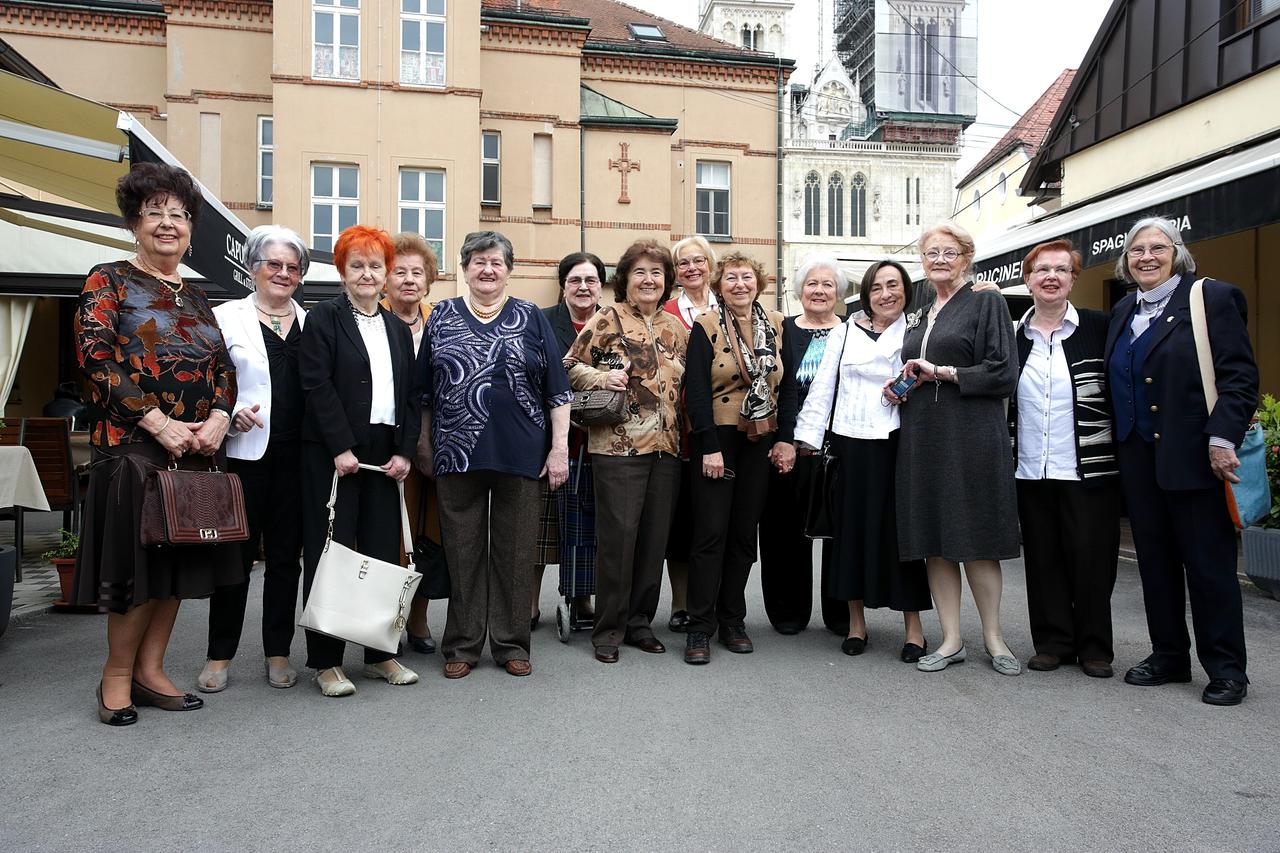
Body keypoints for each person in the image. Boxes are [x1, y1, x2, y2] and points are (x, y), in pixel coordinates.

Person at [74, 162, 238, 725]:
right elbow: (96, 359)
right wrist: (155, 420)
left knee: (178, 567)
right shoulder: (109, 279)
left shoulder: (196, 296)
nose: (168, 224)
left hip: (195, 450)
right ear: (135, 223)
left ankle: (151, 670)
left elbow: (223, 369)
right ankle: (115, 676)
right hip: (132, 449)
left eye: (179, 215)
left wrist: (218, 417)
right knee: (138, 570)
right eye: (155, 213)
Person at [1105, 216, 1258, 706]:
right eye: (1136, 251)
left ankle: (1227, 668)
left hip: (1194, 456)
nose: (1146, 257)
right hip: (1138, 459)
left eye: (1157, 248)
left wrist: (1222, 438)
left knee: (1208, 567)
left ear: (1177, 252)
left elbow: (1238, 377)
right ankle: (1169, 655)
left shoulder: (1210, 297)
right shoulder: (1124, 308)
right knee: (1155, 564)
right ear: (1126, 262)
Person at [419, 231, 572, 679]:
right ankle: (463, 645)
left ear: (509, 269)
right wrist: (425, 444)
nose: (487, 269)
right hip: (456, 453)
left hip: (522, 453)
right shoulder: (442, 315)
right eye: (478, 261)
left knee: (516, 551)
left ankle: (510, 643)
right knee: (463, 552)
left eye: (497, 262)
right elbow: (425, 392)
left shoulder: (529, 316)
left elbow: (558, 392)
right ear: (464, 269)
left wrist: (559, 449)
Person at [885, 221, 1022, 676]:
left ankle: (995, 639)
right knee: (935, 542)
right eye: (930, 254)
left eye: (948, 252)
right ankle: (950, 640)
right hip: (923, 436)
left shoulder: (987, 301)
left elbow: (1004, 373)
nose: (938, 260)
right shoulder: (923, 312)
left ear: (966, 256)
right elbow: (920, 368)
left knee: (977, 539)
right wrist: (903, 385)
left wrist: (943, 372)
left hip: (971, 436)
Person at [298, 224, 421, 697]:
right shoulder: (324, 318)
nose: (367, 274)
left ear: (386, 272)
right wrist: (339, 447)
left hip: (384, 453)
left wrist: (404, 452)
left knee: (381, 553)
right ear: (342, 271)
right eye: (358, 266)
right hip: (335, 453)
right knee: (332, 553)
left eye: (375, 265)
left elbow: (411, 396)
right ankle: (326, 662)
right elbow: (316, 385)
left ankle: (378, 654)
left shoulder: (395, 325)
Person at [797, 260, 932, 661]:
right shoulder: (843, 331)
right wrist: (807, 436)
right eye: (877, 287)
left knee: (899, 536)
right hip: (849, 443)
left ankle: (914, 630)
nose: (886, 294)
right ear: (866, 295)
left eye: (894, 285)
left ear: (906, 290)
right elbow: (824, 384)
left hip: (897, 443)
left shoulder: (917, 329)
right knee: (850, 533)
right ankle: (856, 625)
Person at [564, 240, 688, 663]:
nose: (649, 279)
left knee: (654, 542)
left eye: (656, 272)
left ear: (666, 281)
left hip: (666, 449)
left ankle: (639, 624)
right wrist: (603, 378)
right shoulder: (607, 318)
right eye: (640, 272)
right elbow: (568, 366)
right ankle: (609, 630)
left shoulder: (675, 329)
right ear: (626, 280)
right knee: (618, 542)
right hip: (617, 448)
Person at [200, 225, 310, 693]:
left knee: (287, 559)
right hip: (244, 456)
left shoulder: (312, 322)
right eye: (274, 264)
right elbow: (202, 379)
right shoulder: (225, 317)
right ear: (253, 268)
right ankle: (219, 655)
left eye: (292, 267)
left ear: (301, 275)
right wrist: (224, 411)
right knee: (235, 558)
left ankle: (278, 652)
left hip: (299, 458)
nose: (283, 274)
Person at [1009, 239, 1120, 678]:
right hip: (1030, 467)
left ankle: (1095, 647)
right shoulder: (1013, 337)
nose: (1051, 277)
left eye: (1061, 269)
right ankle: (1053, 642)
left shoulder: (1100, 326)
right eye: (1041, 270)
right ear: (1028, 279)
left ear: (1074, 278)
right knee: (1043, 557)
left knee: (1093, 557)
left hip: (1089, 468)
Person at [683, 251, 791, 665]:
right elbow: (695, 391)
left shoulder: (779, 325)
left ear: (758, 283)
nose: (739, 284)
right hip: (719, 438)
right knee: (711, 533)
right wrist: (708, 445)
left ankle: (732, 619)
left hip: (760, 438)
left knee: (745, 535)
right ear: (719, 285)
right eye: (731, 278)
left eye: (746, 277)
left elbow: (789, 387)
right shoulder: (705, 325)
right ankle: (699, 626)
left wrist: (786, 439)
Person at [758, 254, 844, 635]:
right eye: (812, 283)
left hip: (841, 445)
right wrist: (784, 439)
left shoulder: (853, 330)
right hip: (788, 444)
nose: (820, 290)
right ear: (800, 290)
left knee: (840, 532)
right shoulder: (782, 330)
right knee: (783, 530)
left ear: (839, 292)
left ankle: (842, 613)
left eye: (828, 284)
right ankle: (787, 612)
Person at [532, 252, 604, 630]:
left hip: (597, 439)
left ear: (600, 286)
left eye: (591, 280)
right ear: (563, 284)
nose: (583, 287)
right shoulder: (541, 320)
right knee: (540, 528)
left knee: (584, 526)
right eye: (575, 280)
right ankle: (527, 602)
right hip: (547, 438)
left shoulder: (611, 324)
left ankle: (582, 597)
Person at [380, 232, 441, 656]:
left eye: (417, 272)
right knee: (390, 537)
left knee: (428, 535)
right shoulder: (371, 318)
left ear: (429, 279)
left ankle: (418, 621)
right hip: (386, 445)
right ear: (385, 279)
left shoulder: (439, 319)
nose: (408, 280)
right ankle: (386, 623)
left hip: (439, 444)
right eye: (399, 271)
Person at [661, 236, 719, 631]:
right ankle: (682, 604)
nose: (692, 268)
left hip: (722, 431)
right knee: (681, 523)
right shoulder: (665, 311)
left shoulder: (733, 306)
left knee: (714, 522)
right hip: (676, 430)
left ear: (711, 266)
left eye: (699, 260)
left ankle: (714, 604)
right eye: (683, 263)